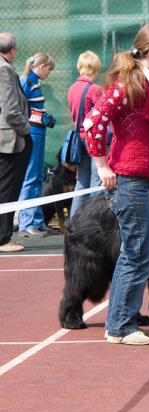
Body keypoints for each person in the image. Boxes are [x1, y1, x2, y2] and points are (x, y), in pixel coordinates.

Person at [84, 22, 149, 345]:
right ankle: (120, 326)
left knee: (138, 251)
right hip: (130, 182)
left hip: (145, 180)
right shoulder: (128, 86)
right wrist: (101, 164)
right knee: (139, 253)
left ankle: (123, 314)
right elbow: (92, 122)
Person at [18, 52, 56, 237]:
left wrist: (43, 116)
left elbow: (33, 107)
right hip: (32, 133)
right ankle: (27, 223)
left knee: (38, 176)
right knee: (30, 177)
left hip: (39, 133)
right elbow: (20, 109)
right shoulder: (26, 81)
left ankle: (37, 220)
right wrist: (41, 117)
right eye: (49, 68)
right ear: (41, 66)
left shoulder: (36, 83)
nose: (49, 72)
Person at [0, 33, 31, 252]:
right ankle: (3, 238)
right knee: (7, 190)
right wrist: (26, 129)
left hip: (7, 138)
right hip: (10, 140)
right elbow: (11, 110)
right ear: (13, 50)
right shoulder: (5, 69)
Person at [68, 50, 105, 217]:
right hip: (93, 141)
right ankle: (92, 220)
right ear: (96, 68)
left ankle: (75, 220)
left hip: (79, 140)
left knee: (81, 183)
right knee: (96, 182)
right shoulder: (94, 89)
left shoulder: (72, 88)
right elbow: (103, 115)